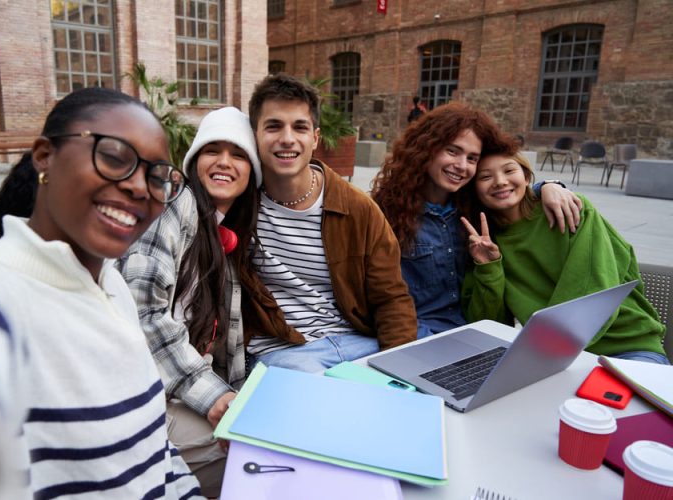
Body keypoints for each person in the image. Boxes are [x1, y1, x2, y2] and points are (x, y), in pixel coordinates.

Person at [0, 87, 203, 498]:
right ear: (45, 156)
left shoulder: (113, 286)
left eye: (157, 177)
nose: (139, 187)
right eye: (114, 157)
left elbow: (155, 450)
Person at [116, 106, 260, 496]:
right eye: (212, 150)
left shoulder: (223, 236)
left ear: (252, 172)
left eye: (239, 154)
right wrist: (214, 396)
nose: (224, 162)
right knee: (254, 454)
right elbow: (142, 311)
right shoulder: (173, 202)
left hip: (171, 393)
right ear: (194, 162)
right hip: (136, 397)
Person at [240, 73, 417, 373]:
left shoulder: (357, 209)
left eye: (300, 127)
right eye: (273, 126)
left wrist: (399, 372)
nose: (287, 138)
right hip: (285, 351)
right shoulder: (240, 206)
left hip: (355, 342)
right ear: (254, 135)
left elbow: (391, 299)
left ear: (315, 138)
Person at [371, 102, 582, 339]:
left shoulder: (476, 207)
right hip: (419, 335)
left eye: (472, 158)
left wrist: (547, 186)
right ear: (425, 149)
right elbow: (380, 299)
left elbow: (508, 193)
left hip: (478, 331)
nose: (462, 166)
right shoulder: (386, 213)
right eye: (452, 151)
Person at [461, 152, 668, 364]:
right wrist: (489, 268)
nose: (500, 181)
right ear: (474, 189)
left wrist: (541, 354)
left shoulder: (571, 209)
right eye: (485, 177)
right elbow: (488, 325)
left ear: (526, 176)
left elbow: (593, 289)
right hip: (557, 357)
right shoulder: (483, 241)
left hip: (626, 347)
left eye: (509, 170)